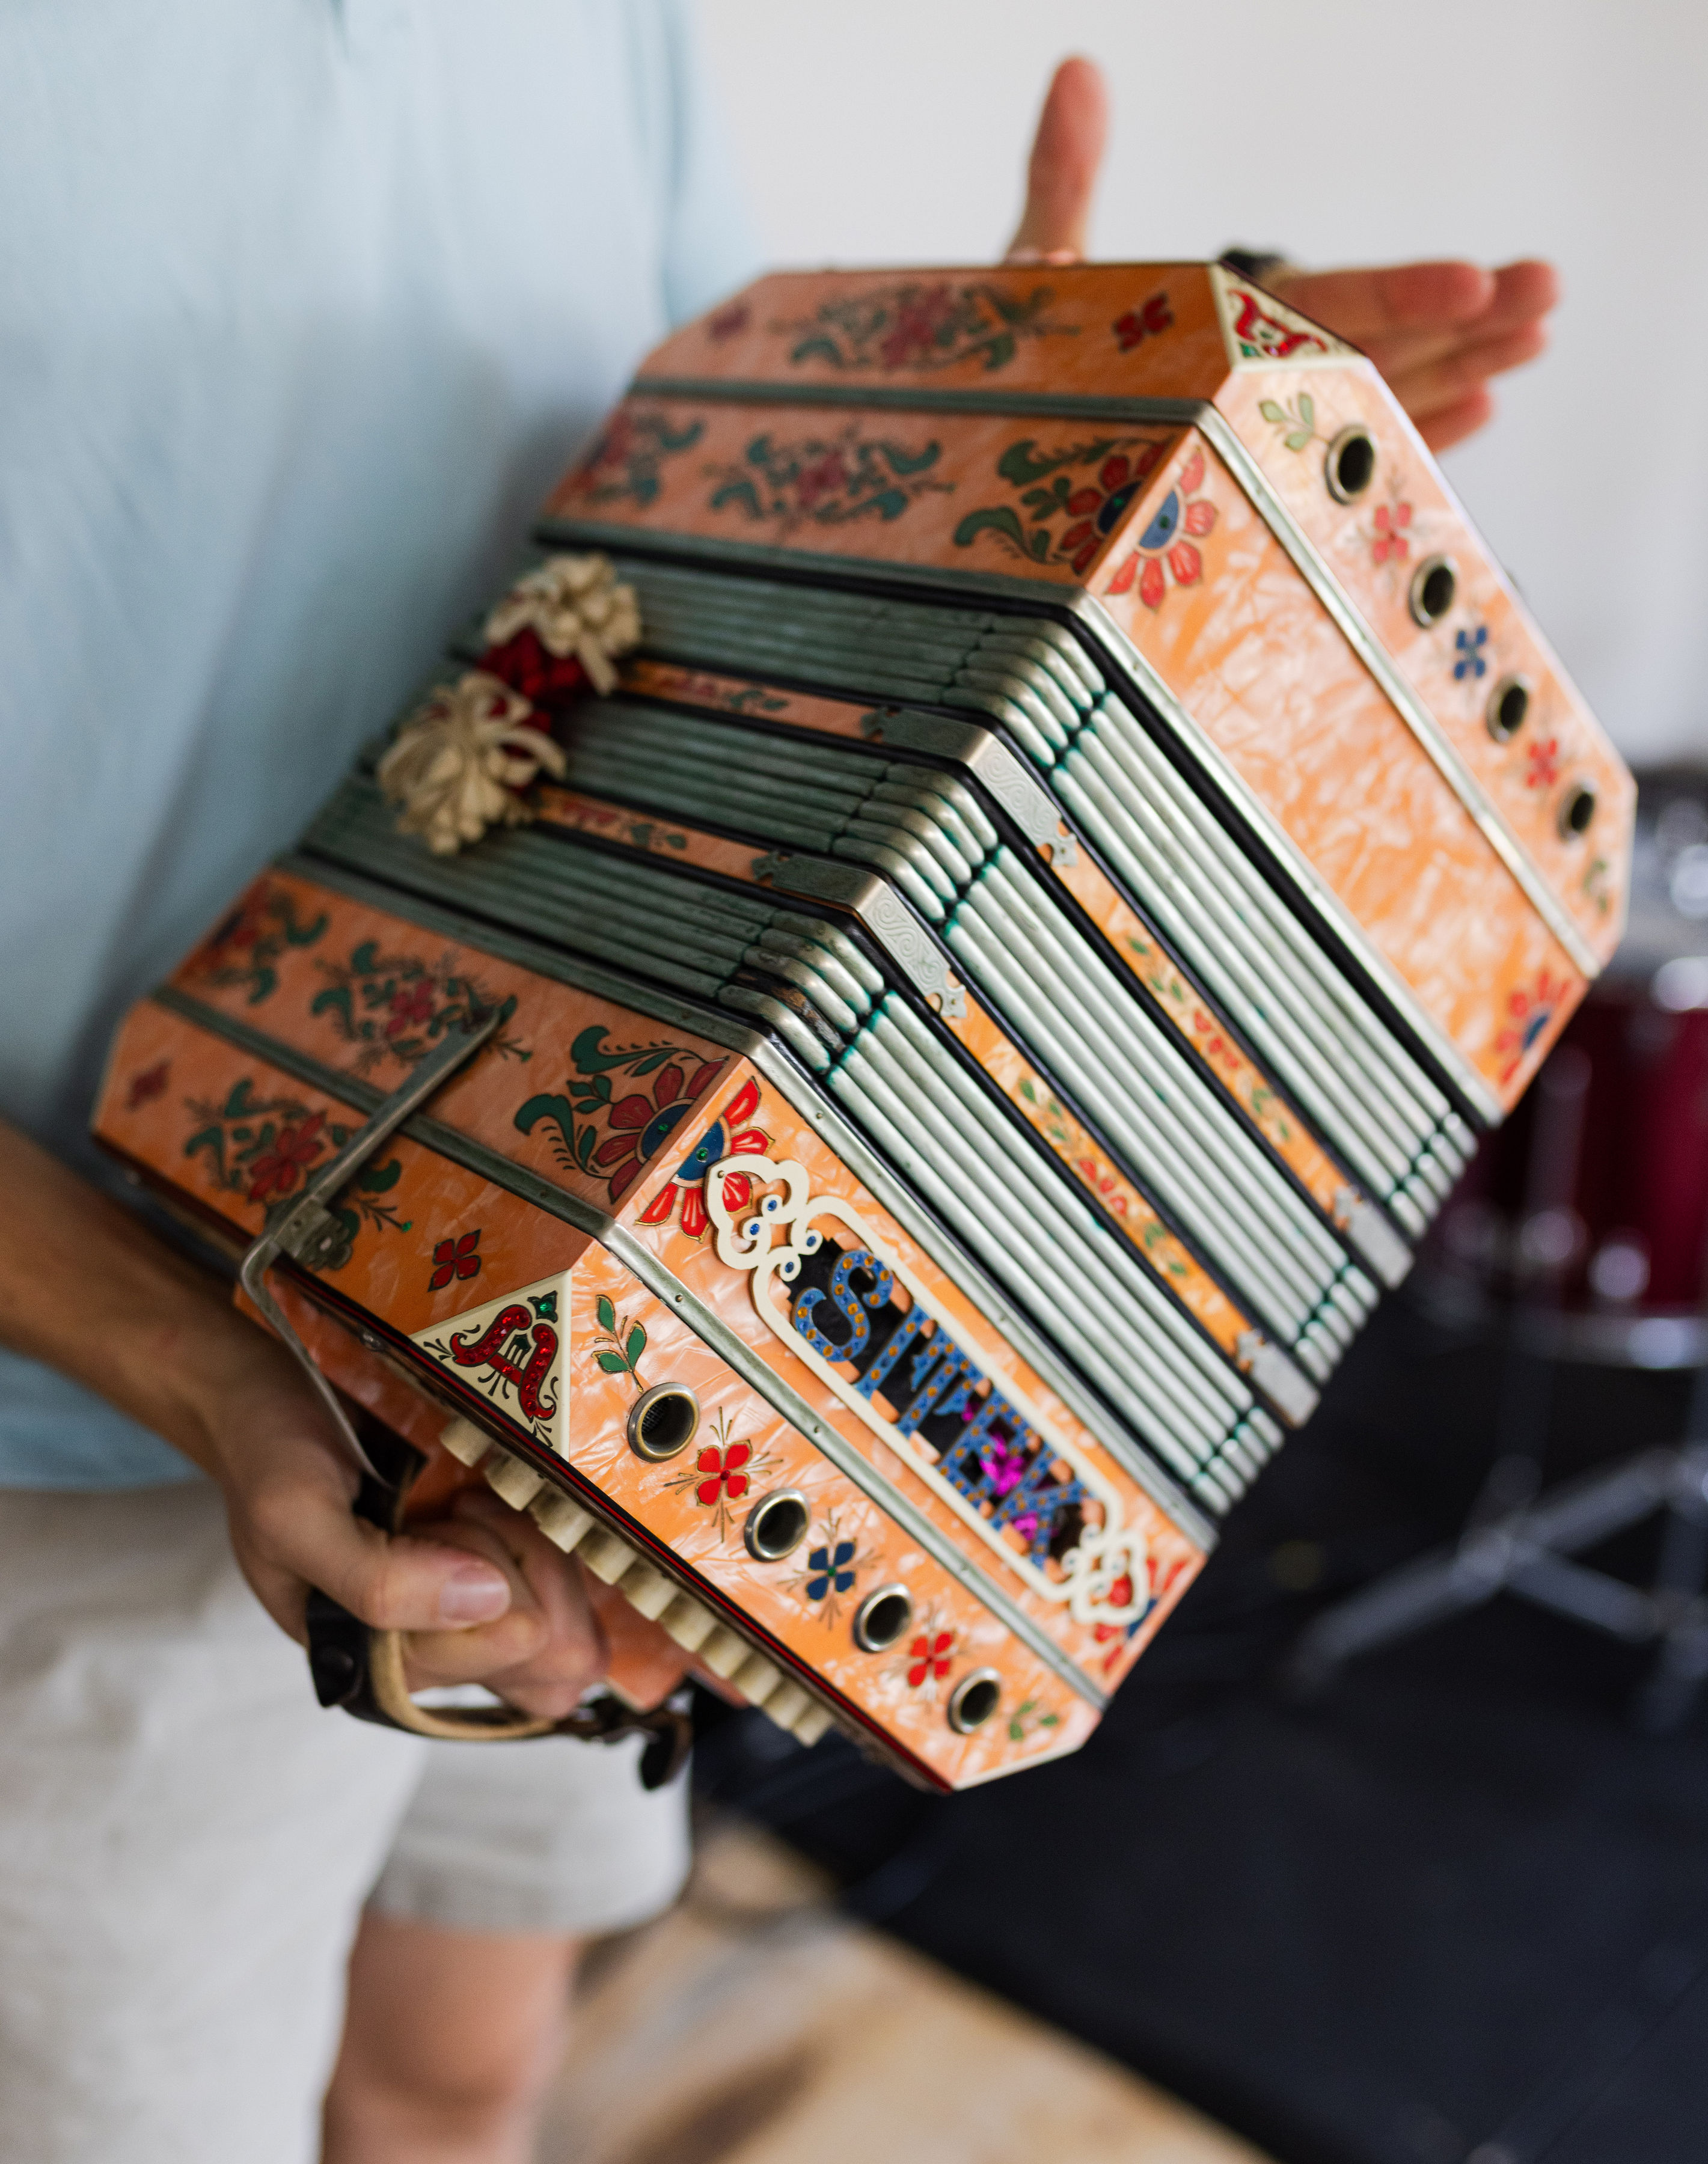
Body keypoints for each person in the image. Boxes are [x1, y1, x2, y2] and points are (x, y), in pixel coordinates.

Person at [0, 16, 1559, 2163]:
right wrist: (204, 1373)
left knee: (457, 2081)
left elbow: (621, 504)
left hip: (578, 1343)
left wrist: (1022, 422)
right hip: (82, 1453)